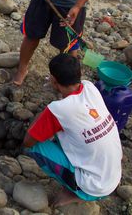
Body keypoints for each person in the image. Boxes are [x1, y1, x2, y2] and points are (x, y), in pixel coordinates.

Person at [23, 53, 122, 206]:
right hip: (113, 176)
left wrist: (45, 114)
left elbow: (28, 141)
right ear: (79, 75)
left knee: (36, 147)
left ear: (54, 81)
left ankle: (77, 191)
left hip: (95, 187)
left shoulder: (58, 109)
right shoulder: (89, 86)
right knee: (68, 133)